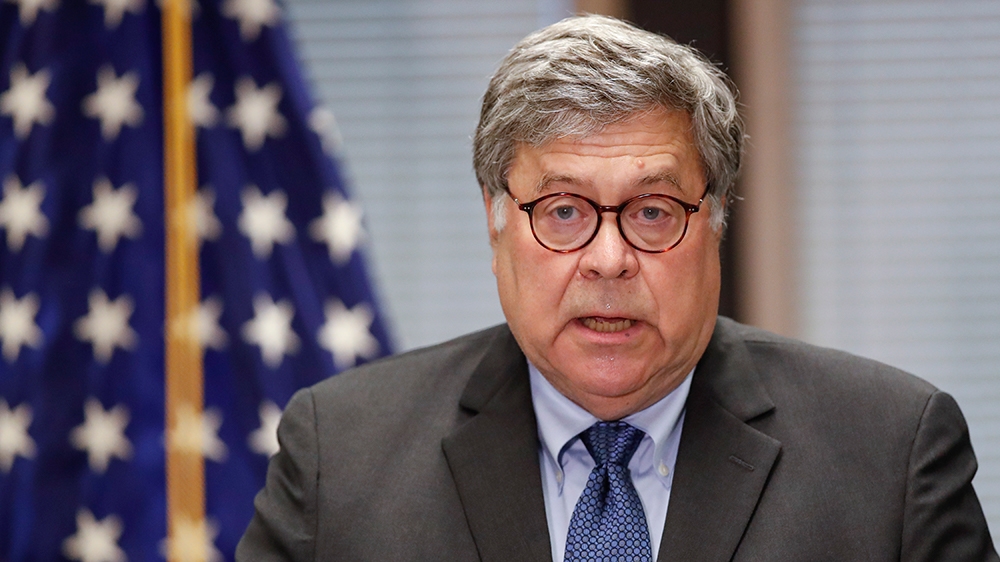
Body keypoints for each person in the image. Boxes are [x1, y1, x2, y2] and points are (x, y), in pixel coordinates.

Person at [237, 14, 998, 561]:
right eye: (564, 211)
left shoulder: (890, 456)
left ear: (716, 221)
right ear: (495, 222)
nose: (608, 260)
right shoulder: (341, 457)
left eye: (653, 211)